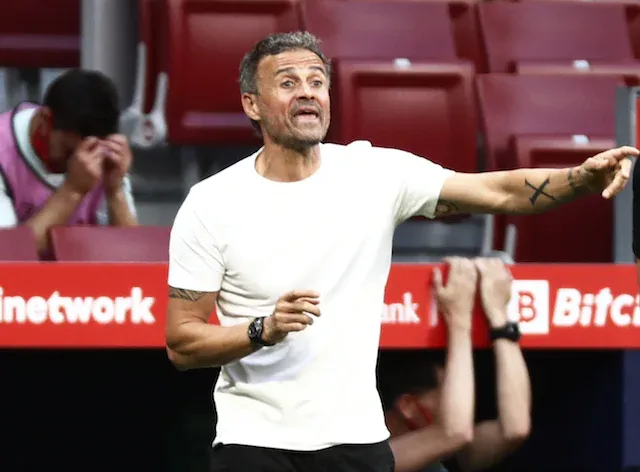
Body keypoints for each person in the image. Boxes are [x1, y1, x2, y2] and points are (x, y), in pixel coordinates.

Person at [165, 31, 636, 472]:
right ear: (251, 103)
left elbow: (498, 192)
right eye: (288, 83)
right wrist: (262, 329)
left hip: (358, 443)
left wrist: (579, 179)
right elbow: (182, 343)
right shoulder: (212, 203)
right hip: (254, 445)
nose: (307, 93)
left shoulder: (374, 174)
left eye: (317, 82)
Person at [381, 258, 531, 472]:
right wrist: (459, 320)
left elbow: (514, 429)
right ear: (409, 407)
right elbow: (454, 432)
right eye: (451, 389)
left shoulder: (450, 453)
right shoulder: (369, 459)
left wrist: (500, 318)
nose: (466, 401)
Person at [0, 69, 137, 255]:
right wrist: (73, 191)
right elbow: (8, 253)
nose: (82, 163)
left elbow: (131, 254)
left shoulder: (102, 155)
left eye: (90, 152)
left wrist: (115, 190)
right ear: (45, 120)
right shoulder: (4, 151)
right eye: (69, 151)